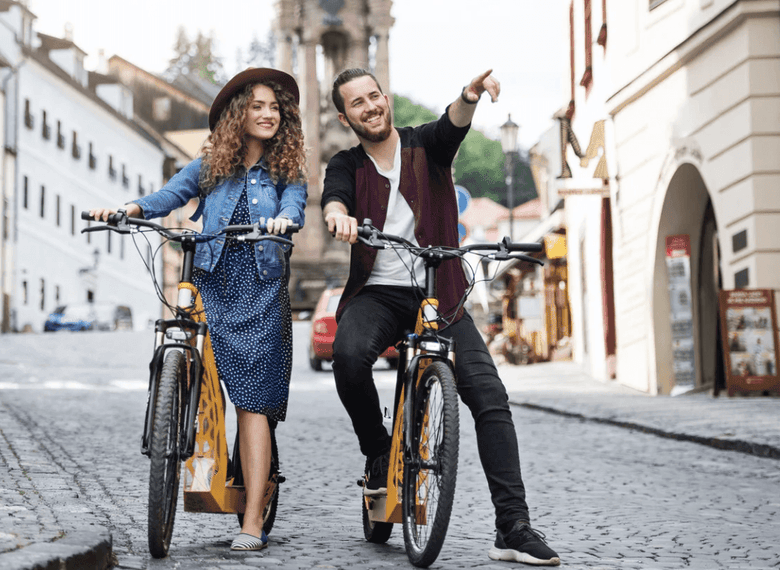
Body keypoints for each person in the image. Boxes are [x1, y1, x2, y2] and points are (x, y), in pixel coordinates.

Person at [321, 67, 561, 566]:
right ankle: (380, 450)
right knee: (347, 355)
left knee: (491, 397)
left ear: (385, 99)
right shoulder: (346, 163)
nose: (370, 106)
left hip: (441, 289)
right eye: (357, 103)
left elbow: (451, 126)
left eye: (374, 96)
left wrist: (469, 96)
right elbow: (334, 196)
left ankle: (513, 527)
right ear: (347, 118)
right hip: (379, 293)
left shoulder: (422, 144)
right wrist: (338, 216)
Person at [90, 68, 307, 552]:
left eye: (274, 107)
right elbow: (172, 194)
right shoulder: (212, 163)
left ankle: (251, 520)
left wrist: (283, 220)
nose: (268, 114)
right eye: (257, 106)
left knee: (252, 403)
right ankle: (179, 415)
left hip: (261, 289)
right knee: (189, 351)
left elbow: (296, 205)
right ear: (238, 114)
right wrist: (130, 210)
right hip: (210, 281)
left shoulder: (286, 169)